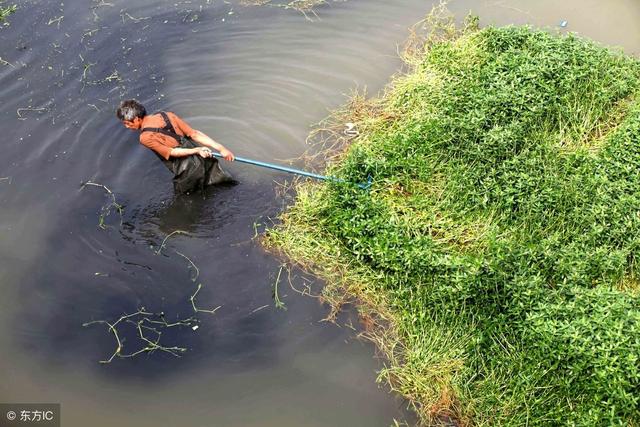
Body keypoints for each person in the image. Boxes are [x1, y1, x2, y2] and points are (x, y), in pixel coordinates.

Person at [116, 99, 235, 194]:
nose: (126, 127)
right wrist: (221, 148)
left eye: (127, 123)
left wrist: (197, 150)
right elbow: (194, 134)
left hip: (188, 168)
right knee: (224, 184)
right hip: (204, 159)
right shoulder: (166, 115)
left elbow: (172, 152)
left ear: (136, 119)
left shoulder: (145, 137)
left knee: (186, 200)